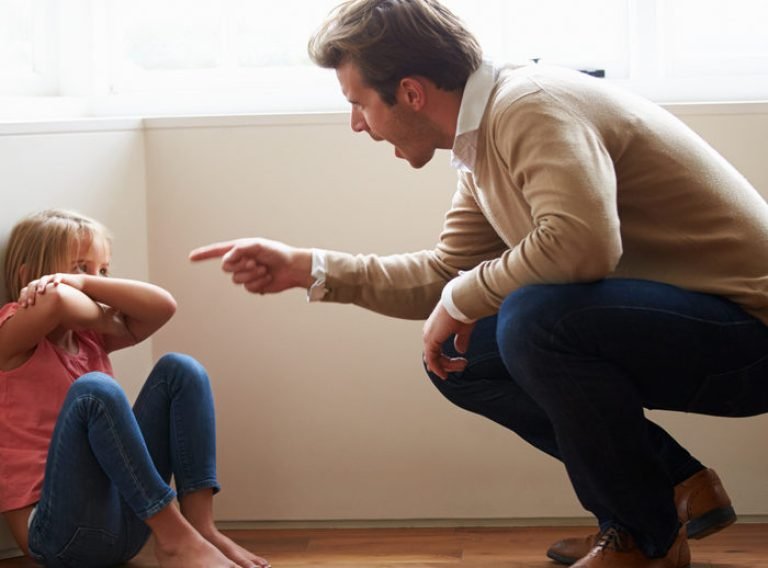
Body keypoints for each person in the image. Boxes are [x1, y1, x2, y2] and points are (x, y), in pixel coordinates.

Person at [189, 0, 768, 566]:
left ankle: (644, 540)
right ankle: (658, 499)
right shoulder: (481, 138)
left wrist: (462, 296)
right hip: (701, 328)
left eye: (358, 103)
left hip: (752, 337)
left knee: (535, 319)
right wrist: (307, 266)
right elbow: (446, 275)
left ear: (411, 92)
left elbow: (581, 244)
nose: (356, 124)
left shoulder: (529, 106)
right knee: (463, 354)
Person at [0, 209, 270, 568]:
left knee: (181, 370)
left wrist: (83, 285)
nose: (94, 281)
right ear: (27, 276)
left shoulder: (90, 340)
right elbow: (58, 301)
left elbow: (163, 305)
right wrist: (103, 311)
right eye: (80, 268)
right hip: (56, 536)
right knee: (95, 390)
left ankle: (199, 530)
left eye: (103, 271)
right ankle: (176, 539)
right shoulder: (10, 334)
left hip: (125, 527)